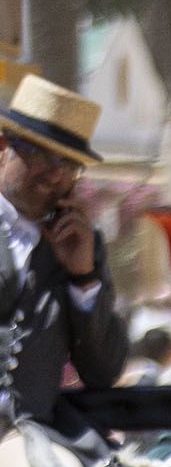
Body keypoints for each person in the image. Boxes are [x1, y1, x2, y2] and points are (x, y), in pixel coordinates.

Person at [0, 74, 131, 422]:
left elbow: (103, 371)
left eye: (69, 165)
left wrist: (83, 278)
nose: (56, 175)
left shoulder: (81, 244)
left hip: (27, 443)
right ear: (2, 148)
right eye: (43, 155)